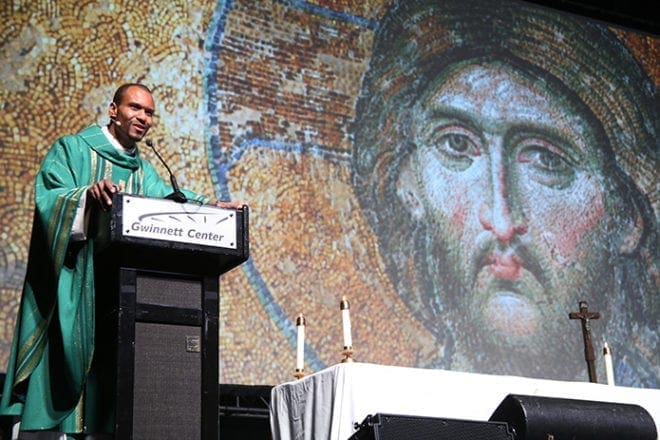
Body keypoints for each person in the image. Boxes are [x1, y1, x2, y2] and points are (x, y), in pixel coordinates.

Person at [351, 0, 658, 386]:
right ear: (408, 184)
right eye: (457, 146)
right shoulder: (389, 409)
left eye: (548, 159)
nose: (501, 220)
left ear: (628, 215)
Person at [0, 83, 244, 438]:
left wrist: (211, 206)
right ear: (114, 110)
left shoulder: (145, 171)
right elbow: (49, 199)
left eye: (149, 113)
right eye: (135, 108)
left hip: (121, 298)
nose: (143, 118)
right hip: (73, 285)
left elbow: (172, 201)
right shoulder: (73, 149)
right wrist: (85, 195)